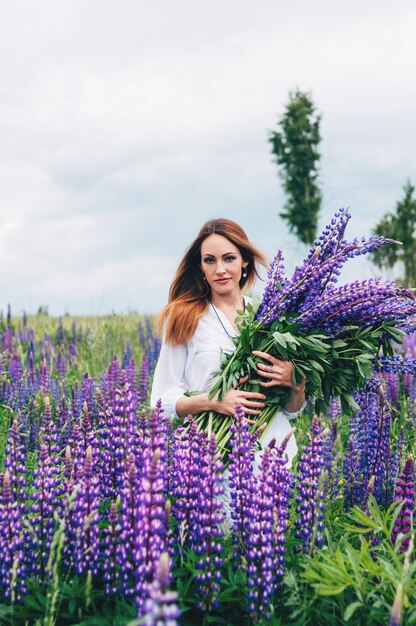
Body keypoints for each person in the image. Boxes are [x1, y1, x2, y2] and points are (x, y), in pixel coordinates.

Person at [150, 218, 306, 466]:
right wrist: (213, 401)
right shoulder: (184, 316)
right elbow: (161, 402)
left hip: (272, 460)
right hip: (210, 461)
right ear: (200, 266)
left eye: (228, 258)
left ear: (244, 260)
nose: (219, 269)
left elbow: (290, 410)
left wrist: (295, 383)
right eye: (209, 260)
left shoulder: (269, 317)